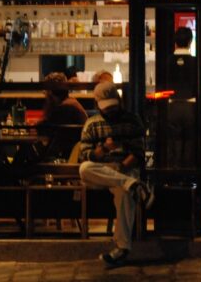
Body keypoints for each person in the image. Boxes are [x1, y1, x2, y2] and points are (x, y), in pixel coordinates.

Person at [78, 82, 154, 266]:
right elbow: (85, 155)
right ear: (97, 105)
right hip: (101, 171)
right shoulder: (92, 124)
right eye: (106, 107)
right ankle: (135, 185)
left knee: (124, 192)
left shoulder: (132, 120)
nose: (110, 111)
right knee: (84, 169)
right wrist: (104, 148)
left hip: (124, 168)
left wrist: (121, 167)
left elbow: (138, 153)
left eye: (113, 106)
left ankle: (122, 248)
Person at [164, 27, 198, 168]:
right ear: (190, 42)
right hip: (191, 106)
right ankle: (187, 173)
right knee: (189, 142)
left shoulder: (168, 61)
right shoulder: (196, 61)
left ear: (175, 42)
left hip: (172, 106)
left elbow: (163, 85)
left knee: (173, 142)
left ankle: (174, 173)